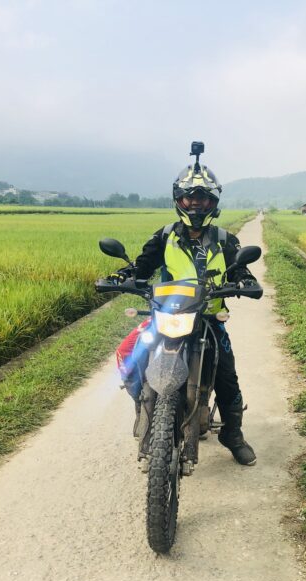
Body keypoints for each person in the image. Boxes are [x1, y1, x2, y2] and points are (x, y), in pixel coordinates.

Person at [113, 157, 259, 466]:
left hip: (208, 320)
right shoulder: (165, 236)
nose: (195, 203)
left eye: (202, 197)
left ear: (212, 201)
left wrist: (245, 280)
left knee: (227, 376)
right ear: (179, 199)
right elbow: (141, 266)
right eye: (190, 197)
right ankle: (143, 406)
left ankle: (232, 434)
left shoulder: (224, 240)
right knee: (128, 353)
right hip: (167, 316)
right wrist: (122, 277)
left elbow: (239, 269)